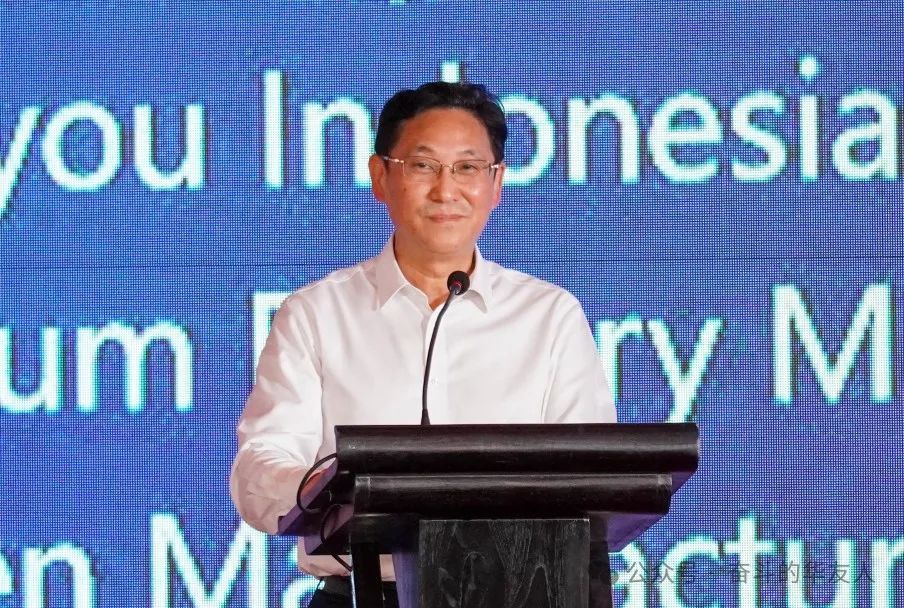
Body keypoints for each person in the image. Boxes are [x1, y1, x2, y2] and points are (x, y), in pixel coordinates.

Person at [230, 81, 617, 608]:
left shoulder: (549, 316)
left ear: (497, 184)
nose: (445, 189)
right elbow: (261, 466)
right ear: (380, 177)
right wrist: (333, 491)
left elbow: (594, 482)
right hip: (361, 594)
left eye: (467, 167)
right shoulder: (316, 313)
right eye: (423, 165)